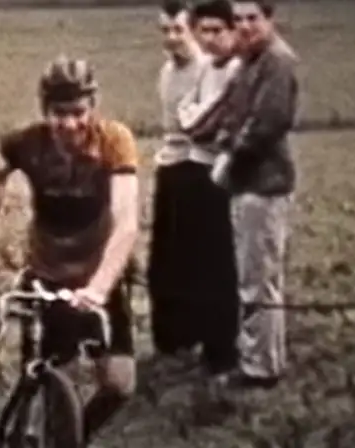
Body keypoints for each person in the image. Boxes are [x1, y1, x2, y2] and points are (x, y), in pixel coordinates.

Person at [0, 54, 141, 448]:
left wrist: (100, 288)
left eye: (79, 112)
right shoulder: (29, 143)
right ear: (46, 110)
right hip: (48, 275)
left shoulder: (114, 141)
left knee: (119, 384)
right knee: (56, 378)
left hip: (100, 276)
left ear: (93, 107)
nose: (70, 123)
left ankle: (65, 445)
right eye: (60, 113)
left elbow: (126, 222)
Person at [210, 0, 299, 389]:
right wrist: (226, 139)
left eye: (253, 18)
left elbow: (268, 123)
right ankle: (263, 358)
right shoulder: (249, 61)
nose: (245, 26)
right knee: (254, 275)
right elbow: (232, 116)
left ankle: (261, 367)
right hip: (248, 184)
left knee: (259, 279)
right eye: (239, 19)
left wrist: (229, 157)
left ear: (269, 19)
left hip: (263, 184)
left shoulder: (277, 61)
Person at [147, 0, 214, 366]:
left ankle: (202, 334)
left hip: (199, 169)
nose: (171, 39)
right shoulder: (165, 73)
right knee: (165, 259)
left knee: (198, 258)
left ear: (192, 30)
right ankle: (172, 338)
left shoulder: (207, 70)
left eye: (178, 30)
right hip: (170, 166)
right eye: (165, 31)